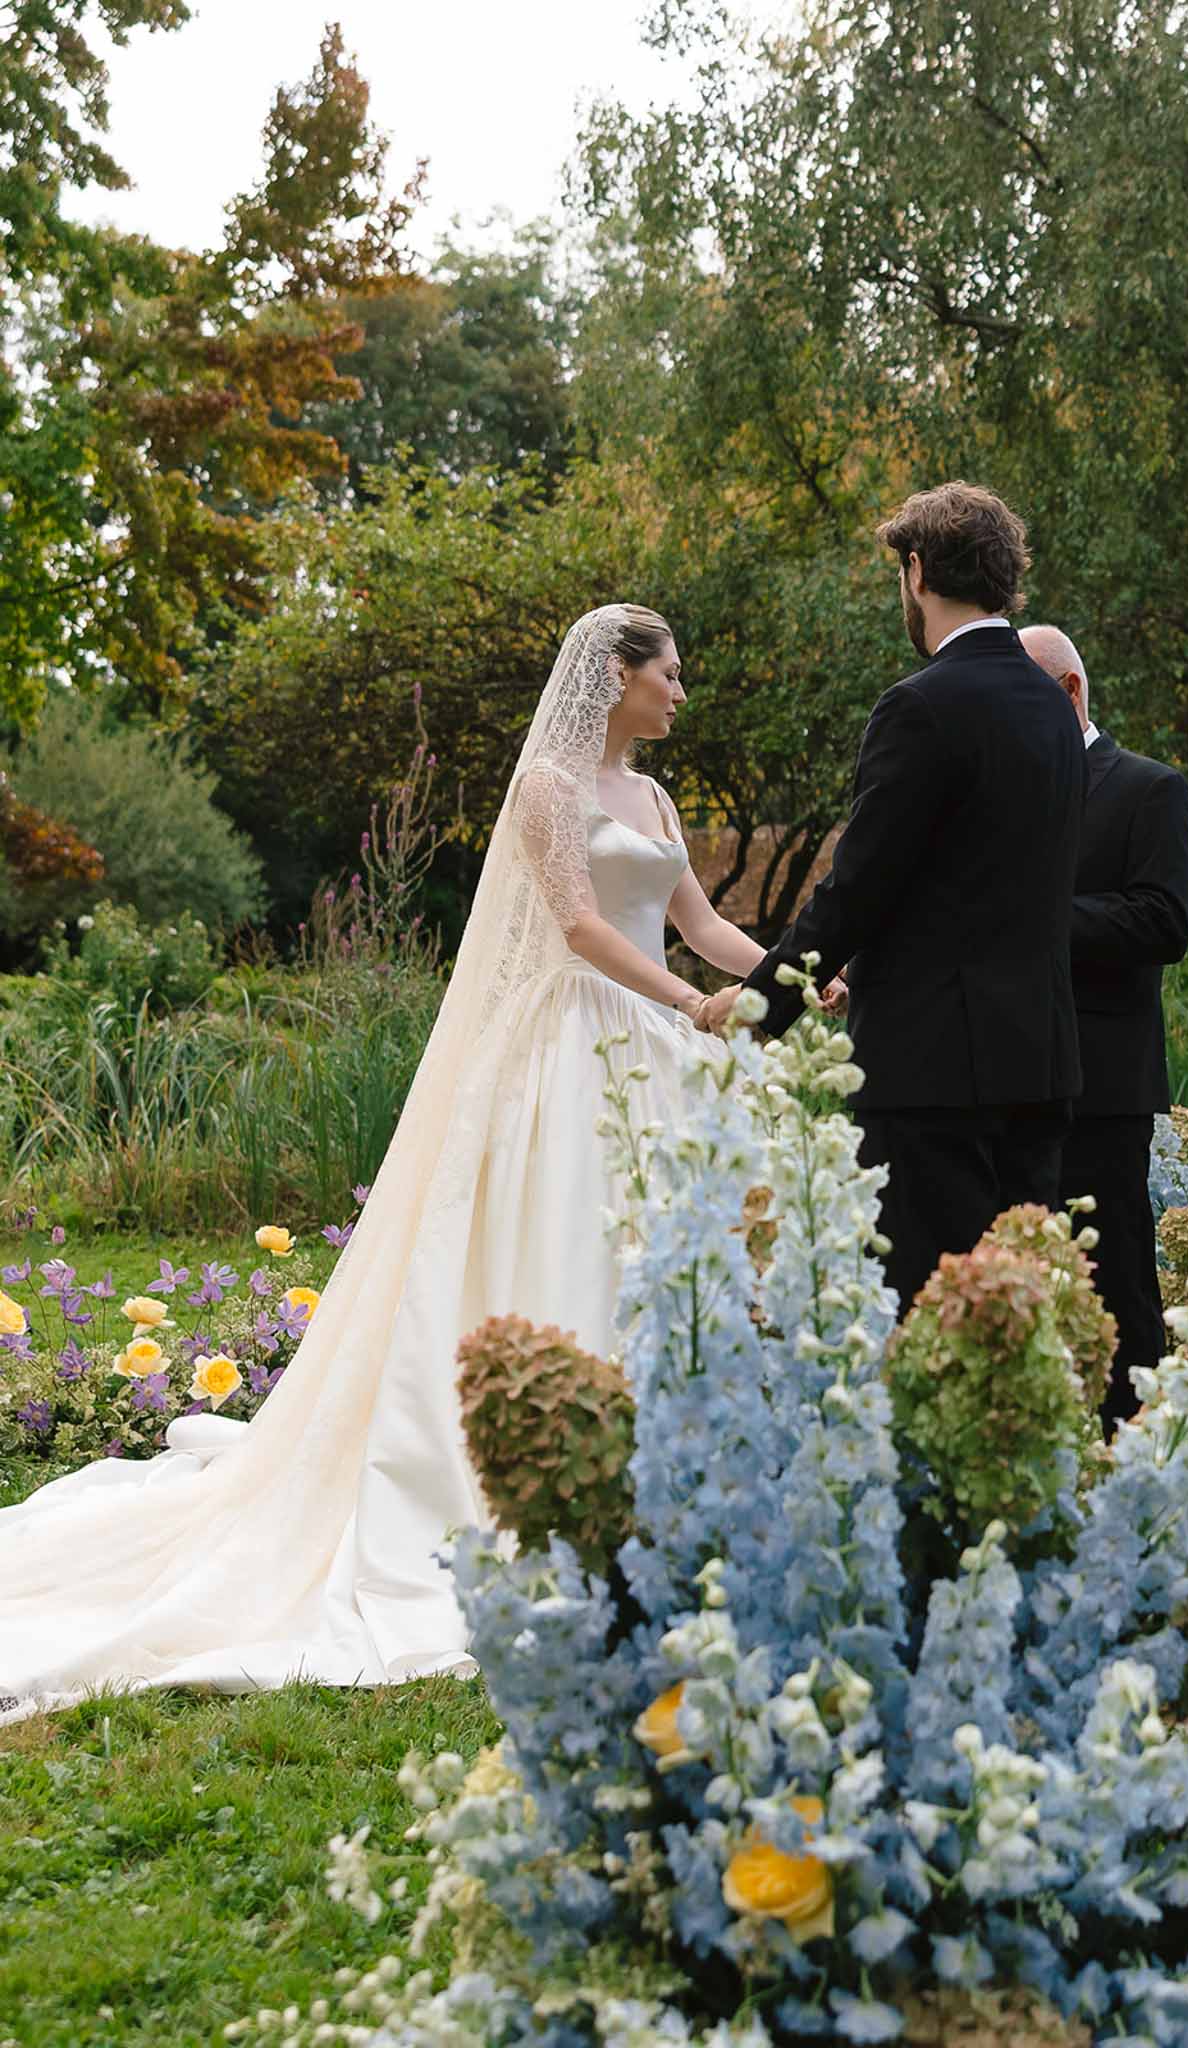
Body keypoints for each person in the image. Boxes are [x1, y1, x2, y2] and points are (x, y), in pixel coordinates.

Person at [0, 605, 768, 1725]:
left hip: (661, 1039)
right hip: (575, 1044)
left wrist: (795, 973)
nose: (680, 694)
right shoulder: (547, 789)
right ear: (616, 674)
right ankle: (549, 1470)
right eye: (670, 674)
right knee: (566, 1239)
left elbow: (696, 918)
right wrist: (697, 1005)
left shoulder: (650, 799)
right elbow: (577, 926)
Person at [697, 482, 1085, 1313]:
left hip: (933, 1078)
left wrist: (762, 1006)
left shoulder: (921, 707)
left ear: (916, 572)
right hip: (1039, 1061)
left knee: (926, 1322)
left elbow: (857, 889)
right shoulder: (1054, 711)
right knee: (1020, 1327)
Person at [1019, 624, 1188, 1433]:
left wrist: (1038, 917)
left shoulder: (1149, 789)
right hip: (1008, 1074)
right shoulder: (1004, 796)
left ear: (1067, 693)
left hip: (1104, 1081)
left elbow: (1165, 920)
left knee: (1116, 1275)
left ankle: (1136, 1448)